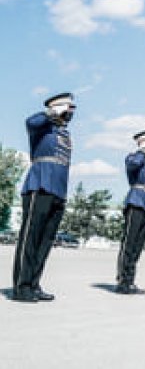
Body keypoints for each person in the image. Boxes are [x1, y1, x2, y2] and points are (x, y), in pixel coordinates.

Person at [12, 92, 76, 302]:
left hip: (58, 190)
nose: (71, 111)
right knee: (31, 238)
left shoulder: (63, 133)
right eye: (67, 107)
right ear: (56, 107)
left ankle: (34, 283)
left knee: (45, 241)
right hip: (39, 185)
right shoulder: (42, 126)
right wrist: (51, 112)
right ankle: (22, 286)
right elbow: (30, 121)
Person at [115, 129, 145, 295]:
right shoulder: (133, 157)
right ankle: (122, 280)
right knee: (129, 243)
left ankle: (130, 280)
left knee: (138, 246)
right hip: (136, 200)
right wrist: (141, 150)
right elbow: (133, 165)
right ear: (143, 141)